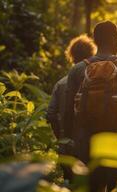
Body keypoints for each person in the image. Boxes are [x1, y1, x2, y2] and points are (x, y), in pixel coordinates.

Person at [63, 21, 117, 192]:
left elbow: (67, 111)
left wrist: (68, 143)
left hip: (87, 143)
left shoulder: (78, 70)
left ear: (95, 40)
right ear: (116, 40)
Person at [46, 34, 96, 179]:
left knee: (70, 188)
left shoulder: (61, 83)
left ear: (72, 56)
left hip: (67, 147)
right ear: (92, 54)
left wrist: (62, 137)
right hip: (91, 147)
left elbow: (51, 115)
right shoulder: (97, 83)